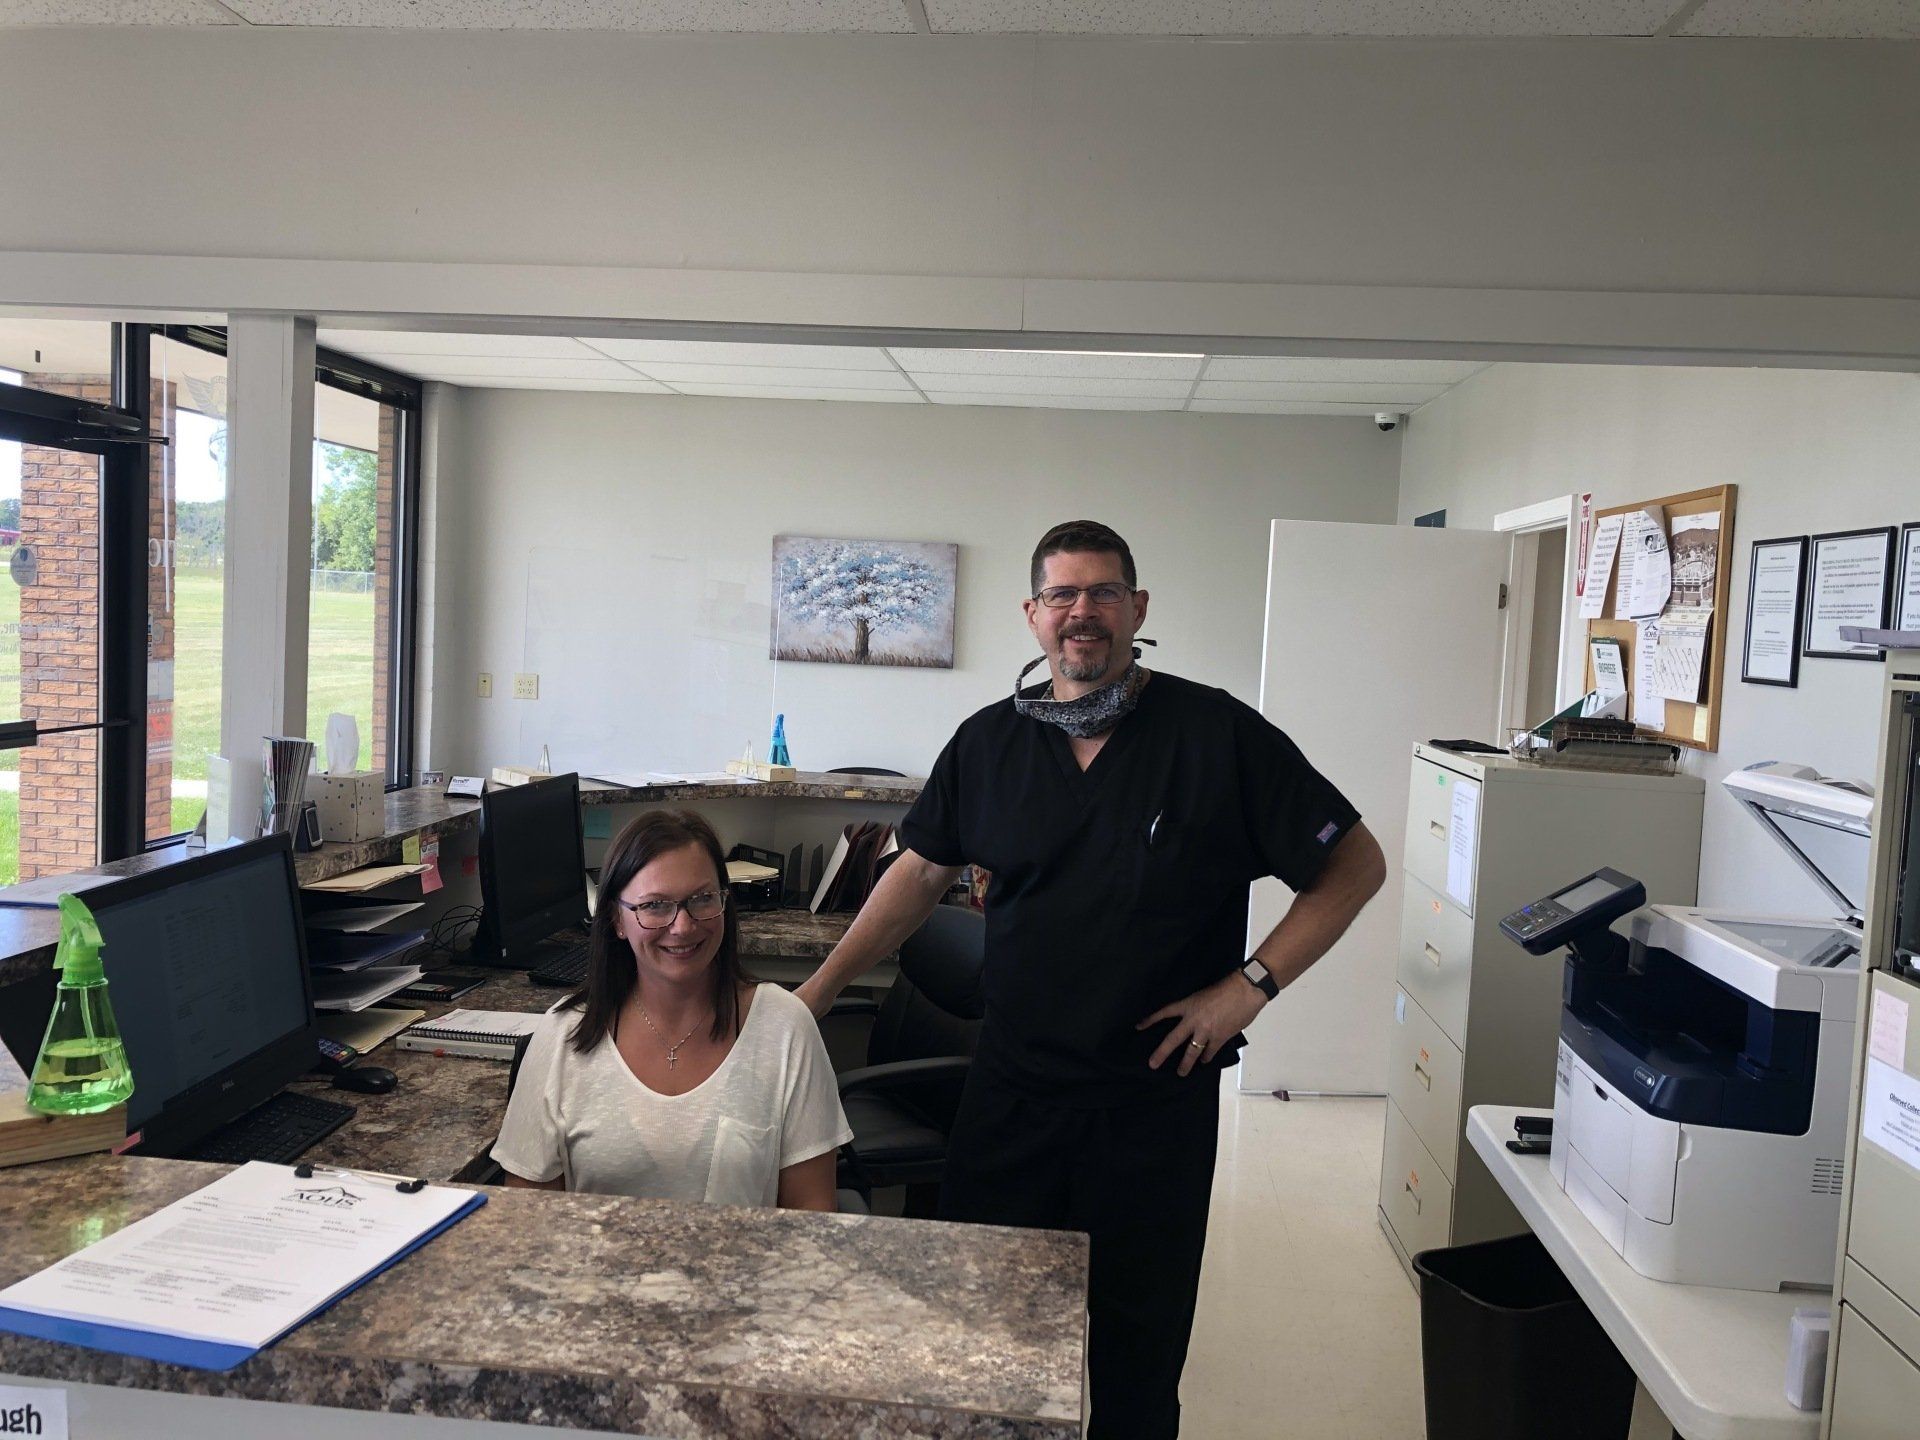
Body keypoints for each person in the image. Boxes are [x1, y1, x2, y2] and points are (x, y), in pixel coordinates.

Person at [796, 520, 1386, 1438]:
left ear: (1137, 609)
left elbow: (1354, 864)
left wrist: (1248, 987)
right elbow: (918, 872)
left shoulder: (1216, 734)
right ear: (1032, 614)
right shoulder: (988, 743)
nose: (1083, 612)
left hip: (1151, 1105)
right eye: (1062, 595)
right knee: (981, 1343)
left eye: (1104, 592)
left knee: (1135, 1361)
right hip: (1011, 1096)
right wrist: (819, 992)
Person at [494, 809, 850, 1209]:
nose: (682, 926)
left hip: (743, 1253)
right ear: (616, 919)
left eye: (702, 899)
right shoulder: (562, 1035)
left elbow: (811, 1218)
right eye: (655, 905)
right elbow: (527, 1219)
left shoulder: (786, 1028)